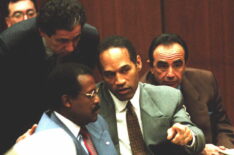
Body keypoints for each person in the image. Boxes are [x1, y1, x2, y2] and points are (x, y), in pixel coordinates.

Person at [0, 0, 99, 153]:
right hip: (24, 120)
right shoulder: (11, 46)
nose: (71, 48)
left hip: (72, 119)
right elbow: (8, 104)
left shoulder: (89, 38)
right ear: (42, 32)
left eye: (76, 38)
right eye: (62, 41)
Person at [97, 35, 205, 154]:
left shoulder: (167, 97)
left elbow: (197, 136)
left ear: (138, 63)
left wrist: (188, 136)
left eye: (125, 70)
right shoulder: (92, 104)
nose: (119, 81)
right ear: (102, 75)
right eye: (110, 75)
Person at [140, 33, 234, 154]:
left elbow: (222, 126)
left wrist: (224, 150)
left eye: (177, 65)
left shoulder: (205, 80)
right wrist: (200, 149)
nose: (170, 74)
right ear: (151, 67)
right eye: (163, 66)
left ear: (185, 64)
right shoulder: (140, 95)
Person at [5, 63, 117, 155]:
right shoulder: (47, 142)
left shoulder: (94, 121)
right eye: (90, 94)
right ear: (67, 101)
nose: (97, 100)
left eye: (96, 92)